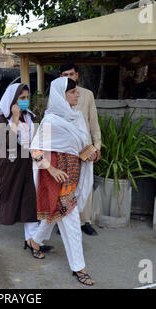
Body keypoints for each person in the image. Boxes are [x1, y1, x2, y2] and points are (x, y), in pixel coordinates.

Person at [29, 77, 96, 286]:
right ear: (61, 96)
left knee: (56, 215)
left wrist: (90, 154)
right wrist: (51, 168)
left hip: (75, 175)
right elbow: (35, 149)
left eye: (77, 91)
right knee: (71, 220)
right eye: (73, 92)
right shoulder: (51, 121)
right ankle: (79, 268)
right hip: (57, 178)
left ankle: (35, 241)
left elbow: (81, 147)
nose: (78, 95)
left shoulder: (75, 117)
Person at [0, 84, 46, 249]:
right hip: (6, 164)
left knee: (28, 198)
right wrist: (16, 119)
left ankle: (31, 238)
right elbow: (8, 142)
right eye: (22, 98)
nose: (25, 101)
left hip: (25, 163)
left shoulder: (29, 117)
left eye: (27, 97)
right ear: (13, 100)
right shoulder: (2, 118)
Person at [59, 63, 101, 236]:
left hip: (85, 148)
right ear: (60, 77)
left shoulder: (87, 95)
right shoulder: (57, 96)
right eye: (65, 74)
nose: (69, 77)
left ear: (77, 75)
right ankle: (63, 221)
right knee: (66, 185)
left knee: (85, 185)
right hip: (65, 149)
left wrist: (97, 147)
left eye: (71, 74)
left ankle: (84, 222)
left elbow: (93, 122)